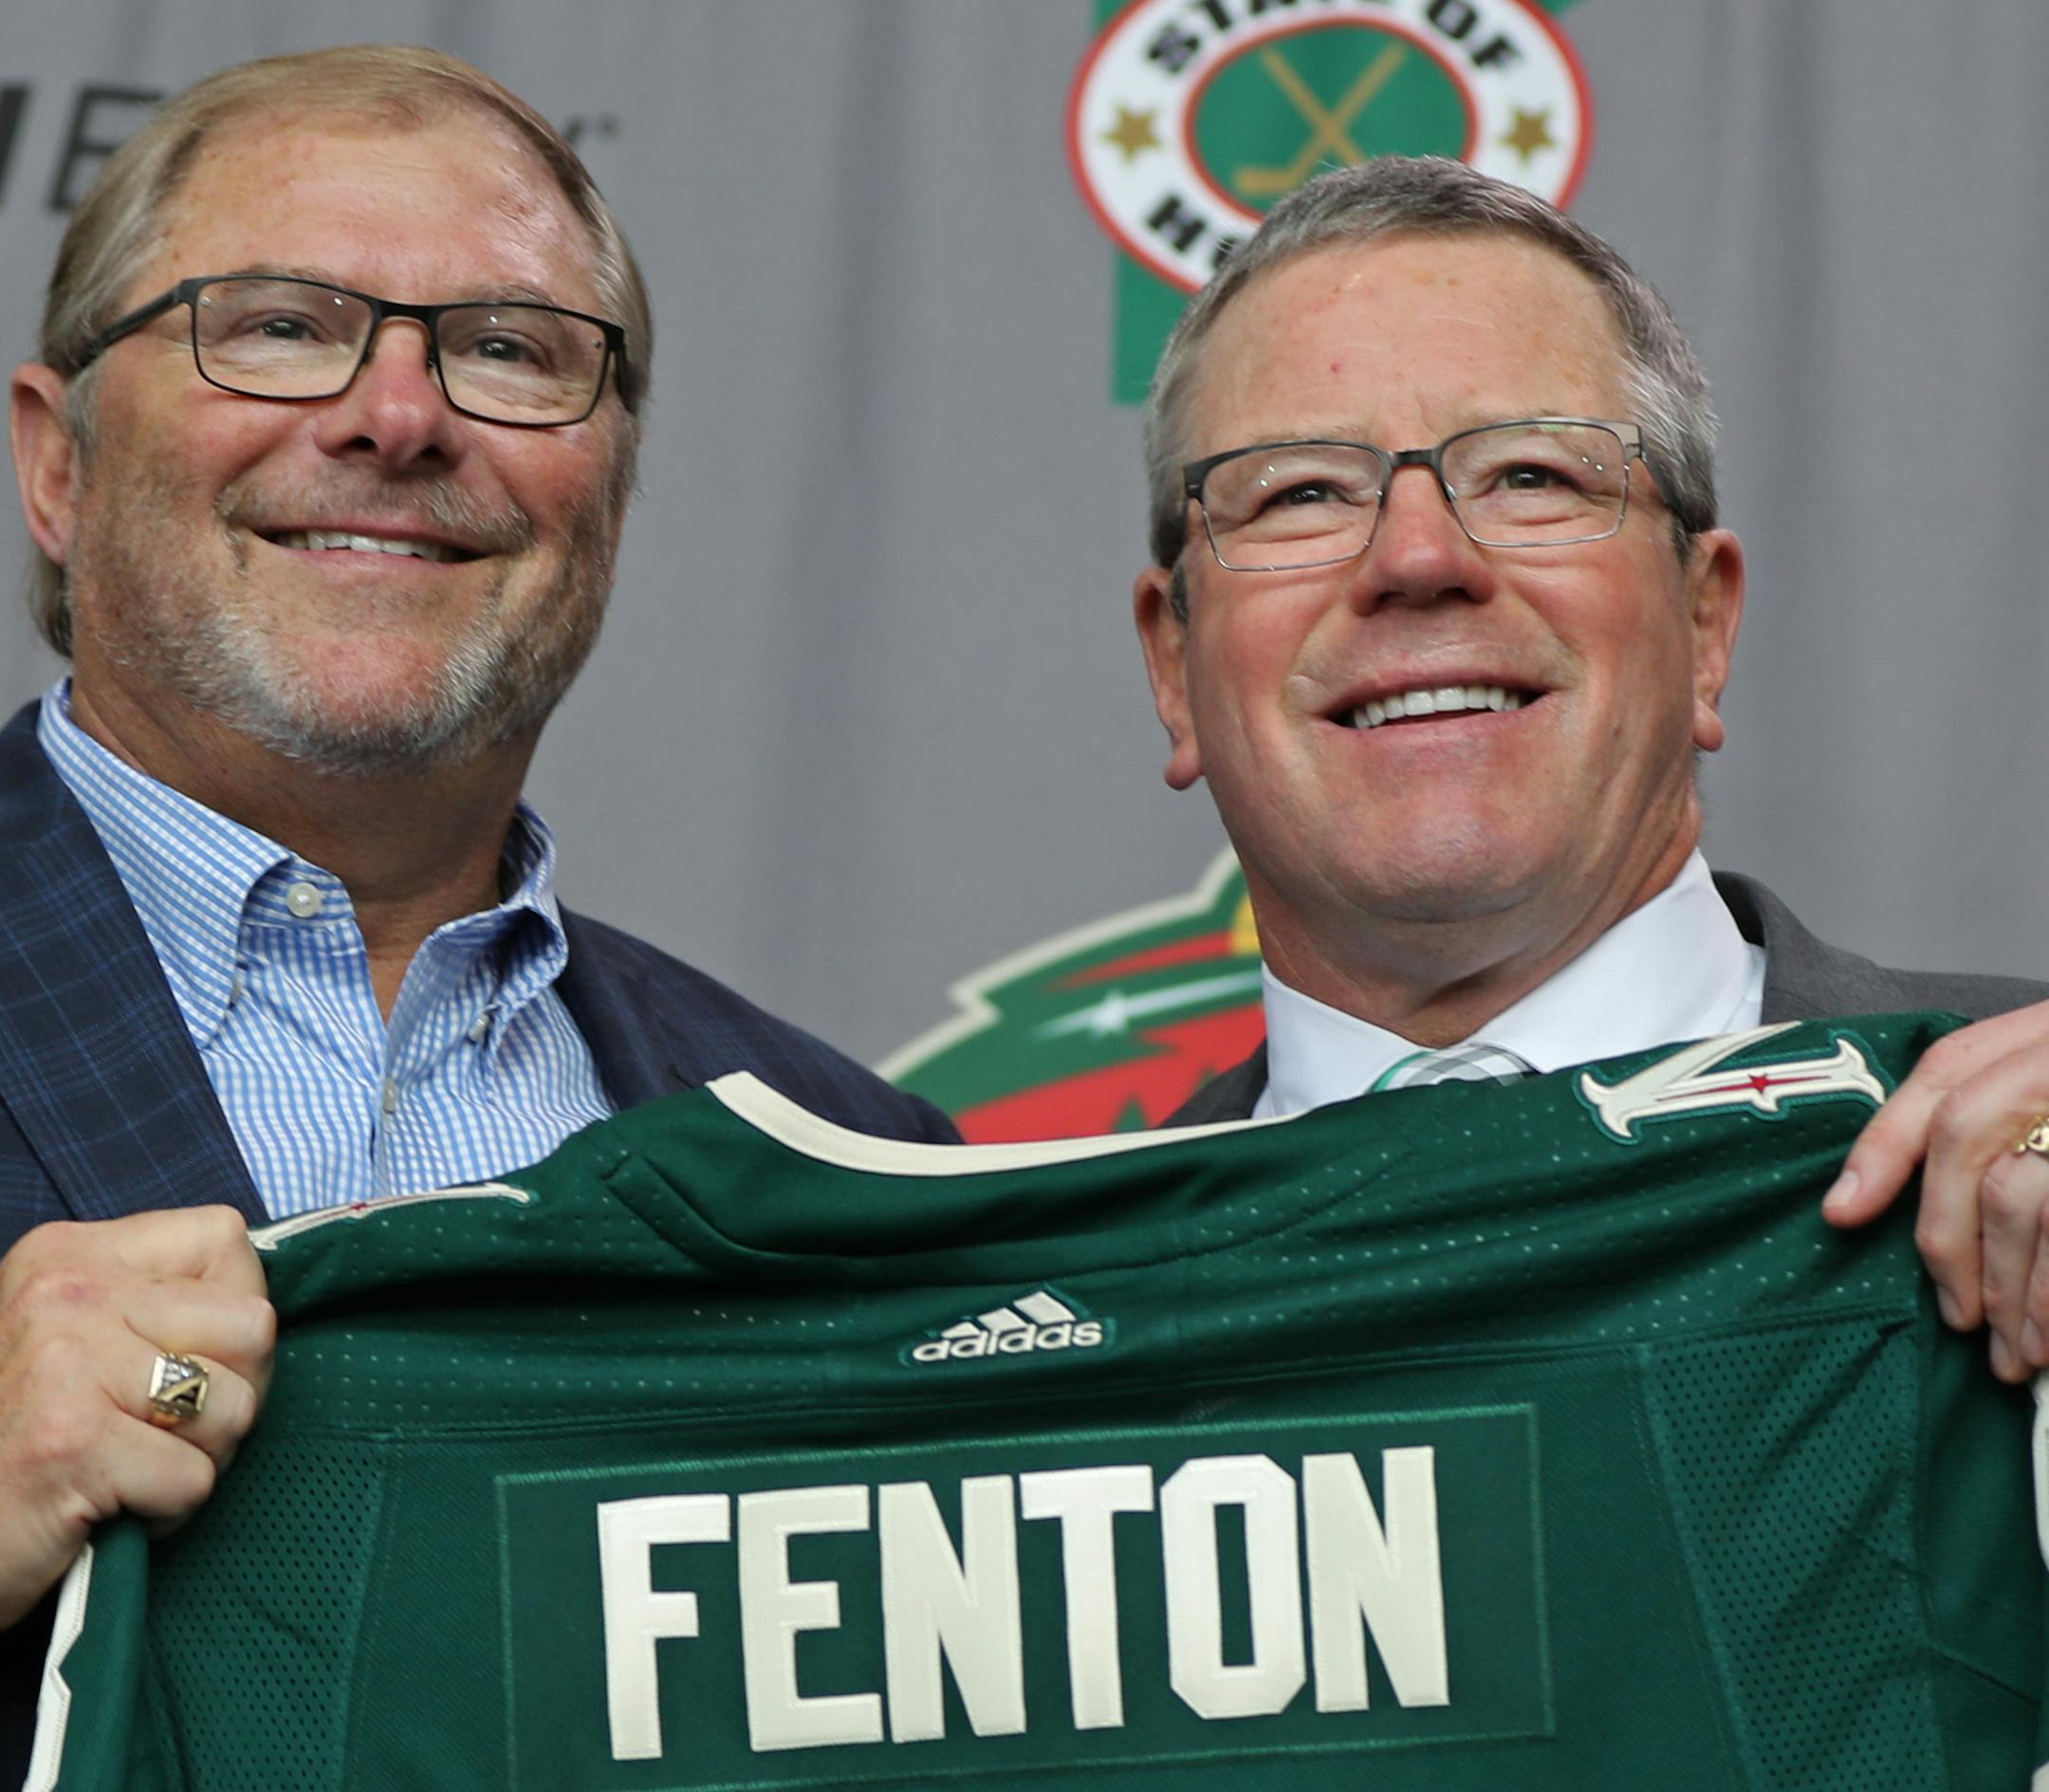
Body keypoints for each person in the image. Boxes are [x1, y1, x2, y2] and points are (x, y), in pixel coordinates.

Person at [0, 44, 951, 1776]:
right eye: (279, 323)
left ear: (614, 492)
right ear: (55, 463)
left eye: (510, 351)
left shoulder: (858, 1162)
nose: (399, 416)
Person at [1131, 157, 2049, 1367]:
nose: (1416, 558)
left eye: (1530, 475)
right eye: (1300, 492)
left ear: (1706, 621)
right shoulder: (1028, 1314)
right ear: (1172, 664)